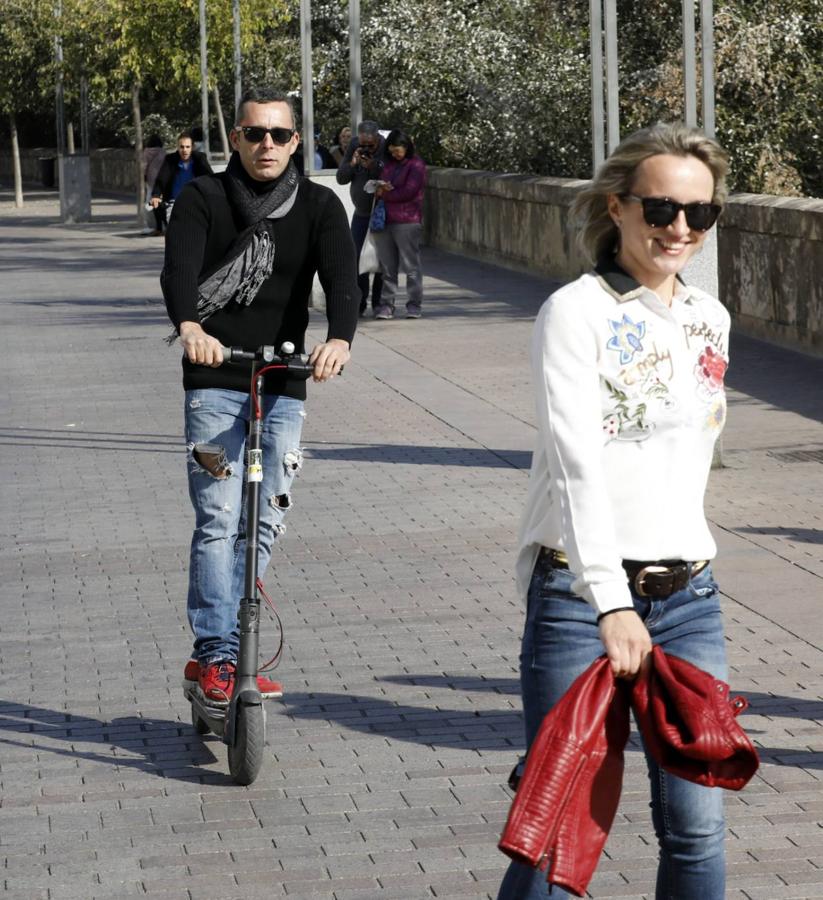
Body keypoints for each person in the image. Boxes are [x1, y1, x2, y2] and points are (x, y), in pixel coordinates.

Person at [498, 122, 731, 900]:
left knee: (696, 829)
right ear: (618, 207)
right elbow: (576, 466)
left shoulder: (708, 319)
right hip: (581, 598)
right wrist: (610, 601)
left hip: (689, 598)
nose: (679, 229)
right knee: (557, 830)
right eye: (661, 209)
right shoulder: (576, 312)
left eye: (700, 215)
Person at [161, 86, 359, 706]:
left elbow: (342, 280)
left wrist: (341, 340)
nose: (266, 145)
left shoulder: (320, 205)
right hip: (215, 379)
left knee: (267, 515)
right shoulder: (203, 197)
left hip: (283, 379)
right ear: (236, 140)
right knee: (219, 517)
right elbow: (179, 271)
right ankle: (217, 655)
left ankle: (230, 641)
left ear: (296, 141)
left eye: (279, 135)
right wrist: (191, 327)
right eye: (254, 134)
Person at [371, 129, 427, 319]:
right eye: (392, 151)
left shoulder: (416, 165)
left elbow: (409, 191)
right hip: (385, 220)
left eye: (398, 150)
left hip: (407, 220)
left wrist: (385, 193)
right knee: (388, 267)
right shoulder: (388, 165)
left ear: (406, 147)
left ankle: (414, 304)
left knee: (411, 266)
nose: (395, 154)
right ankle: (387, 304)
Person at [336, 120, 386, 316]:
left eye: (370, 145)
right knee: (357, 259)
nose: (366, 148)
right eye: (362, 144)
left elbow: (388, 175)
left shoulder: (385, 148)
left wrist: (372, 165)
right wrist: (353, 162)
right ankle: (360, 303)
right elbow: (341, 178)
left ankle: (379, 303)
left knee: (382, 260)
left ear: (377, 139)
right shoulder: (355, 146)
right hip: (361, 214)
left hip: (381, 213)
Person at [150, 131, 213, 235]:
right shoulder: (170, 160)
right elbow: (161, 178)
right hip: (174, 203)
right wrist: (156, 195)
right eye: (182, 147)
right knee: (176, 230)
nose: (185, 150)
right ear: (178, 147)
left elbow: (209, 177)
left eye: (187, 147)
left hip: (196, 203)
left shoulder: (199, 159)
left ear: (192, 147)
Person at [142, 134, 166, 234]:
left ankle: (153, 225)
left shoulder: (146, 152)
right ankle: (164, 224)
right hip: (162, 179)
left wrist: (144, 175)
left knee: (149, 201)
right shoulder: (162, 152)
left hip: (151, 179)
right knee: (162, 202)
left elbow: (144, 165)